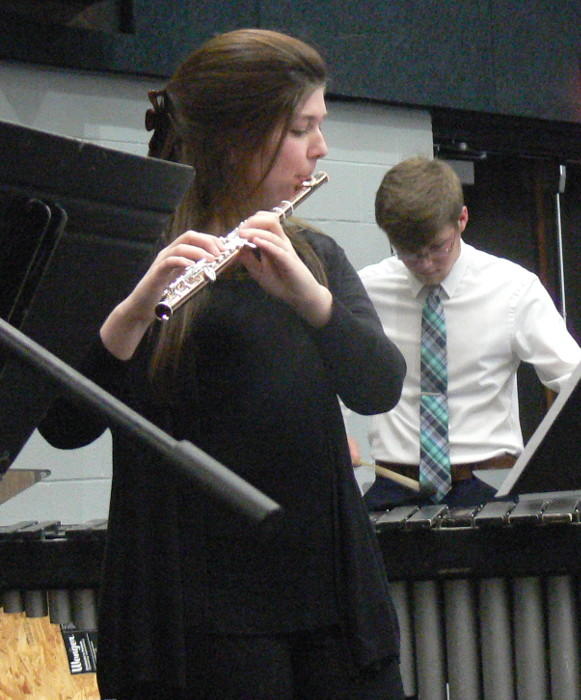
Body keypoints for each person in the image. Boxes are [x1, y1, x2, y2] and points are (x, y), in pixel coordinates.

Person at [38, 29, 407, 699]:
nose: (321, 147)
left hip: (329, 597)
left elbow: (378, 387)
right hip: (196, 619)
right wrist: (132, 314)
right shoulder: (133, 258)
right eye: (301, 129)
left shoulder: (314, 257)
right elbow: (65, 426)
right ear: (238, 139)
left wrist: (311, 300)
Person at [349, 156, 581, 511]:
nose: (426, 265)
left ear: (462, 219)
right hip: (395, 484)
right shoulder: (366, 290)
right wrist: (338, 434)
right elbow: (332, 370)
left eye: (438, 248)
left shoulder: (514, 289)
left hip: (487, 483)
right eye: (410, 254)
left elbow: (571, 379)